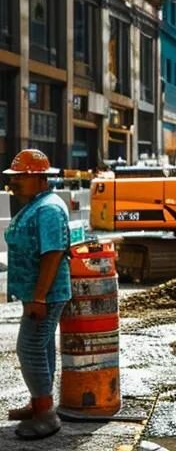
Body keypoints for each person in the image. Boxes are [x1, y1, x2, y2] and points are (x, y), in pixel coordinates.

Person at [3, 149, 70, 441]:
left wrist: (40, 297)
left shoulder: (48, 209)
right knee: (41, 348)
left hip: (46, 294)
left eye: (21, 177)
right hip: (37, 293)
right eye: (14, 177)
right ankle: (39, 403)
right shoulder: (37, 204)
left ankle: (46, 414)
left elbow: (53, 254)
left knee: (28, 349)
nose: (14, 183)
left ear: (41, 178)